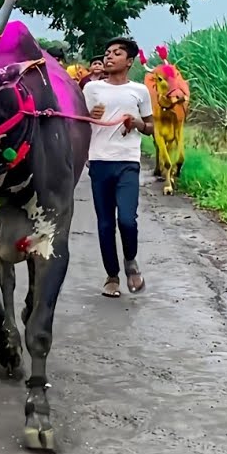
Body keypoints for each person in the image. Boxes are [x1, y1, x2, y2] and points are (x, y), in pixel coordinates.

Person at [82, 37, 154, 298]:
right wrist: (90, 117)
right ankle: (112, 276)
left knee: (126, 219)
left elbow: (151, 128)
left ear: (129, 61)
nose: (109, 57)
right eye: (107, 52)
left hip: (127, 162)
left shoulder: (139, 91)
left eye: (116, 53)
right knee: (104, 224)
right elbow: (78, 123)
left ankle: (131, 262)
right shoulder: (91, 89)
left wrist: (136, 123)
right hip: (100, 161)